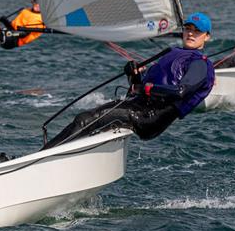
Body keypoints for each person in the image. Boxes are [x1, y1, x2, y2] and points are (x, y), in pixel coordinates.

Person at [43, 12, 215, 149]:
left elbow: (180, 92)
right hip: (139, 106)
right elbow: (137, 87)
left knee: (85, 120)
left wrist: (148, 89)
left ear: (206, 36)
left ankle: (43, 158)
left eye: (197, 31)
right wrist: (133, 73)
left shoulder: (200, 63)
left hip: (149, 117)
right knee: (86, 120)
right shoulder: (173, 53)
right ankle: (55, 156)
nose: (191, 33)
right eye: (188, 28)